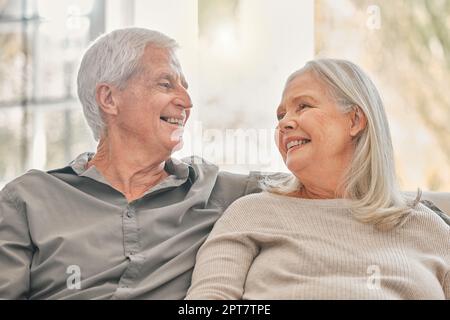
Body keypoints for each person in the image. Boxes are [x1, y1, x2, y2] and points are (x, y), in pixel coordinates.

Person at [0, 28, 262, 299]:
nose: (187, 102)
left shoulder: (216, 190)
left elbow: (304, 183)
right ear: (109, 99)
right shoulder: (27, 199)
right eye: (166, 84)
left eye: (184, 87)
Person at [186, 59, 450, 300]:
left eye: (303, 106)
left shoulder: (429, 228)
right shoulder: (250, 212)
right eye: (281, 115)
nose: (284, 123)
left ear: (355, 120)